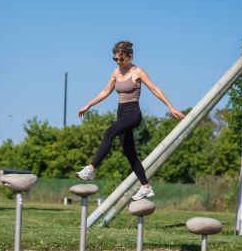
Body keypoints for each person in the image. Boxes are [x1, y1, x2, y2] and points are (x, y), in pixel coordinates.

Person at [76, 40, 184, 200]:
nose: (118, 62)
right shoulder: (116, 73)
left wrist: (171, 107)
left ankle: (91, 169)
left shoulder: (138, 71)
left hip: (133, 114)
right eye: (115, 59)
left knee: (109, 132)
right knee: (130, 153)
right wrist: (88, 105)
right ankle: (145, 187)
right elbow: (105, 91)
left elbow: (155, 89)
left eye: (121, 59)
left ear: (130, 56)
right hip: (121, 114)